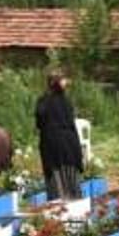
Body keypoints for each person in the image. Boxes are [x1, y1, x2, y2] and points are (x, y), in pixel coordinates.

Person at [35, 71, 84, 200]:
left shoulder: (43, 101)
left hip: (51, 144)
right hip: (69, 143)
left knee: (56, 178)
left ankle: (59, 208)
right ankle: (75, 204)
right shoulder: (66, 101)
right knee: (70, 176)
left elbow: (39, 123)